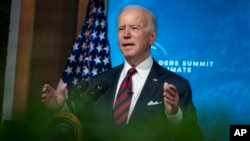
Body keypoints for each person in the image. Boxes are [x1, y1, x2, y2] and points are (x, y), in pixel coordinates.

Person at [42, 5, 204, 141]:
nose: (126, 34)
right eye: (121, 29)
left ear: (152, 36)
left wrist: (174, 114)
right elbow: (79, 130)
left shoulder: (176, 85)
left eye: (134, 28)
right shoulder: (97, 82)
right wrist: (61, 108)